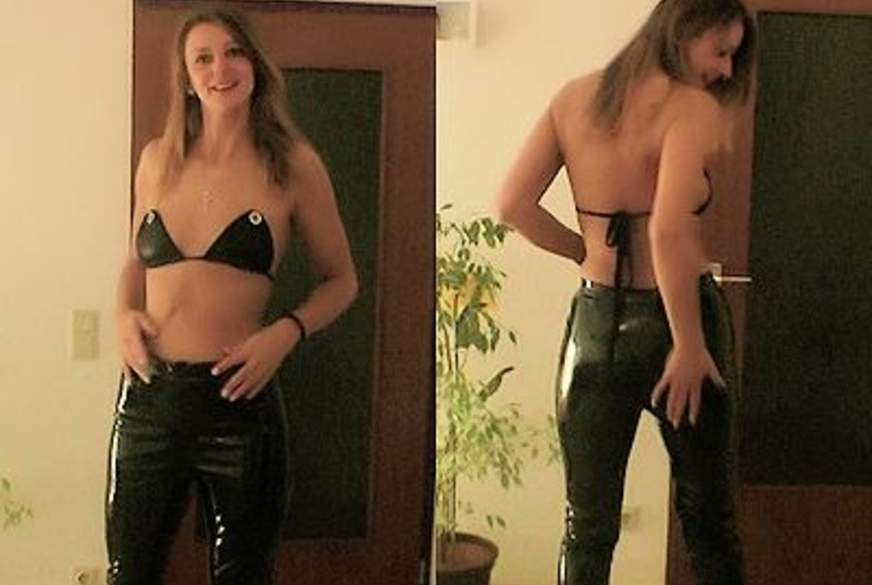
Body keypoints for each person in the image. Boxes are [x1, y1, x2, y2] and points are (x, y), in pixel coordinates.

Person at [495, 1, 756, 584]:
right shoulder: (690, 107)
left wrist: (584, 253)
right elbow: (666, 230)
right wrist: (689, 344)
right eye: (721, 51)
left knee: (585, 530)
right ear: (683, 31)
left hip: (597, 325)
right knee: (709, 523)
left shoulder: (573, 98)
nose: (724, 69)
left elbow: (512, 204)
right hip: (683, 322)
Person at [107, 9, 357, 585]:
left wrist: (284, 334)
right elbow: (135, 261)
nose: (220, 69)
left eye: (233, 52)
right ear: (187, 78)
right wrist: (122, 314)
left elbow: (342, 280)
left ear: (255, 65)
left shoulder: (293, 166)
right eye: (203, 58)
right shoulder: (157, 161)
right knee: (128, 573)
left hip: (238, 403)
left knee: (244, 576)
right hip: (148, 399)